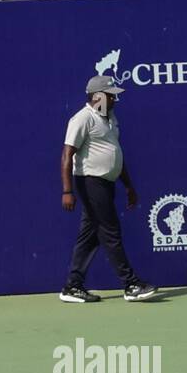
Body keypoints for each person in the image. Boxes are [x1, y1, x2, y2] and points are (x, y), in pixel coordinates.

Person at [59, 75, 158, 304]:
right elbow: (66, 155)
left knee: (90, 236)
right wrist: (67, 190)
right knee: (109, 231)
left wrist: (129, 186)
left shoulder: (111, 118)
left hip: (106, 183)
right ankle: (131, 284)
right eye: (111, 95)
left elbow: (115, 155)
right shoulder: (82, 118)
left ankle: (72, 285)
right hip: (90, 182)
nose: (115, 99)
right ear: (97, 97)